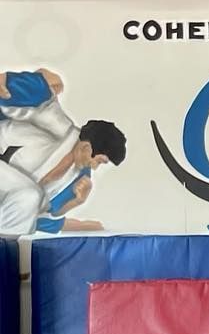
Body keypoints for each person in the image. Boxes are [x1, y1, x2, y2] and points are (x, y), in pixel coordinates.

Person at [0, 68, 125, 234]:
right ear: (87, 147)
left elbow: (37, 218)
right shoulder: (57, 125)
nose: (94, 167)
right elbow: (40, 94)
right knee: (29, 194)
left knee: (29, 197)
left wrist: (75, 203)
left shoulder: (78, 181)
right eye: (99, 161)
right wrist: (16, 81)